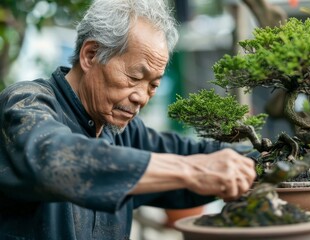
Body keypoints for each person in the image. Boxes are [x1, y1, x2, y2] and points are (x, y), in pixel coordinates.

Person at [0, 0, 256, 239]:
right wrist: (194, 170)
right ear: (90, 54)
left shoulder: (124, 133)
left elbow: (194, 154)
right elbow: (57, 159)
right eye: (134, 77)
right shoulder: (26, 103)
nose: (142, 97)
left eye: (153, 85)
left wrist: (273, 160)